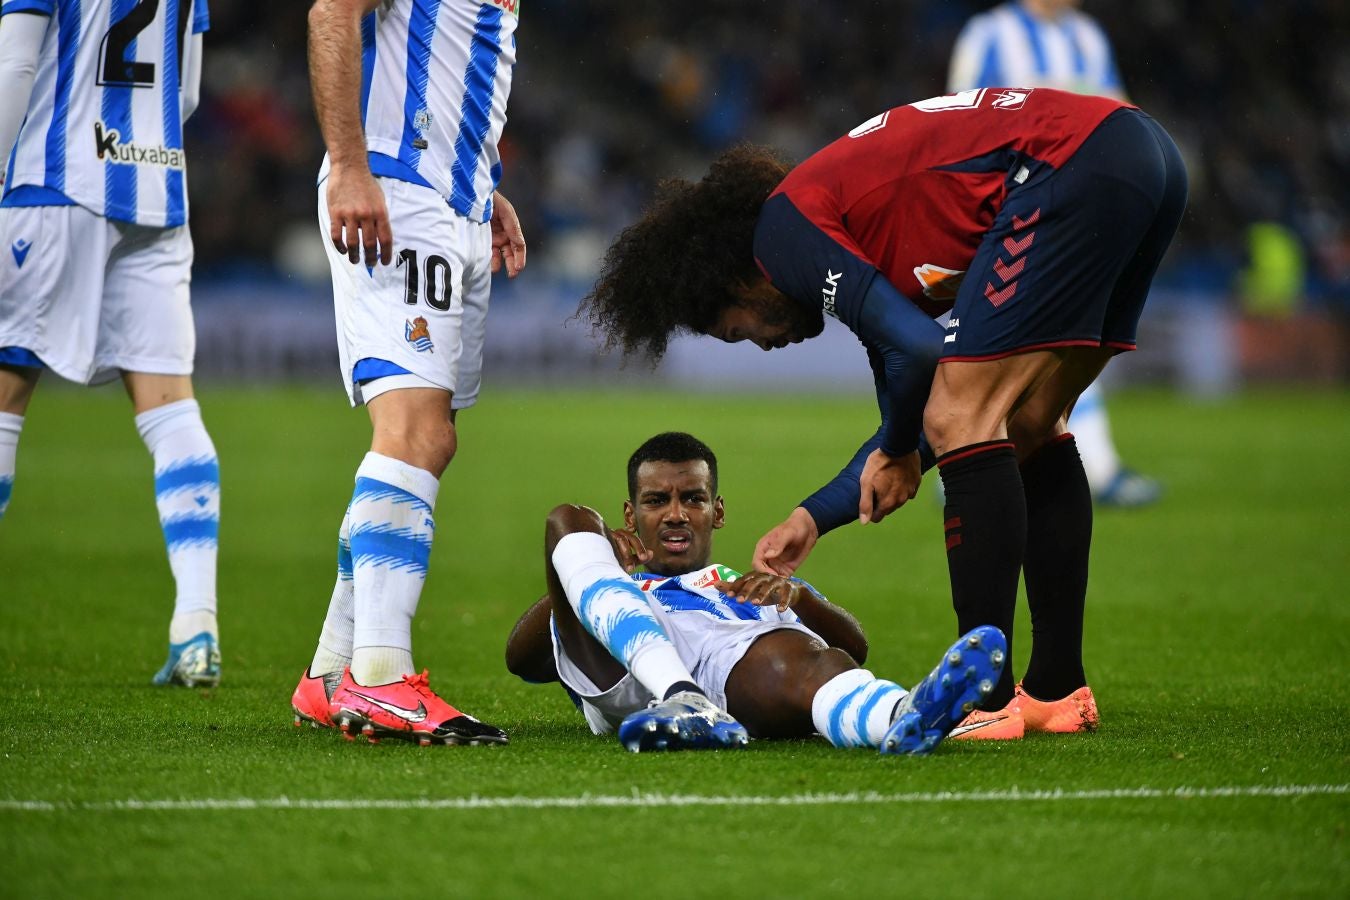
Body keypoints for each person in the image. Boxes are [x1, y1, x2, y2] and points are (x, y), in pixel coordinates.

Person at [580, 88, 1186, 741]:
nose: (761, 342)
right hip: (1142, 153)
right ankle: (1058, 690)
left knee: (968, 415)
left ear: (736, 278)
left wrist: (899, 445)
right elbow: (911, 384)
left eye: (736, 330)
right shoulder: (845, 236)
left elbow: (925, 370)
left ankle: (988, 699)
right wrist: (816, 514)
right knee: (1031, 419)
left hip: (1066, 166)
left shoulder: (782, 233)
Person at [290, 0, 528, 747]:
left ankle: (331, 673)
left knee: (436, 437)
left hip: (452, 199)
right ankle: (384, 677)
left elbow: (450, 66)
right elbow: (333, 13)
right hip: (397, 194)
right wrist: (353, 168)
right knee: (412, 431)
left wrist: (482, 185)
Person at [504, 431, 1006, 754]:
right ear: (631, 516)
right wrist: (583, 570)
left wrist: (800, 599)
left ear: (716, 512)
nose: (676, 514)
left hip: (729, 671)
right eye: (657, 501)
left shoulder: (743, 584)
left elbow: (854, 649)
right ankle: (681, 697)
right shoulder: (609, 582)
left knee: (805, 655)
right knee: (566, 519)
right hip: (632, 674)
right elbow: (522, 659)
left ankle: (901, 716)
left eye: (693, 499)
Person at [0, 2, 221, 686]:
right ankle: (197, 625)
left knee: (6, 390)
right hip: (155, 189)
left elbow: (18, 60)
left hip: (56, 181)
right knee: (169, 403)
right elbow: (184, 92)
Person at [947, 0, 1162, 508]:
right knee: (1011, 341)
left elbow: (1122, 113)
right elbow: (958, 122)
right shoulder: (988, 35)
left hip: (1085, 211)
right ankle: (967, 458)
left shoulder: (1088, 36)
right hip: (1018, 211)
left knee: (1069, 339)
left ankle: (1087, 464)